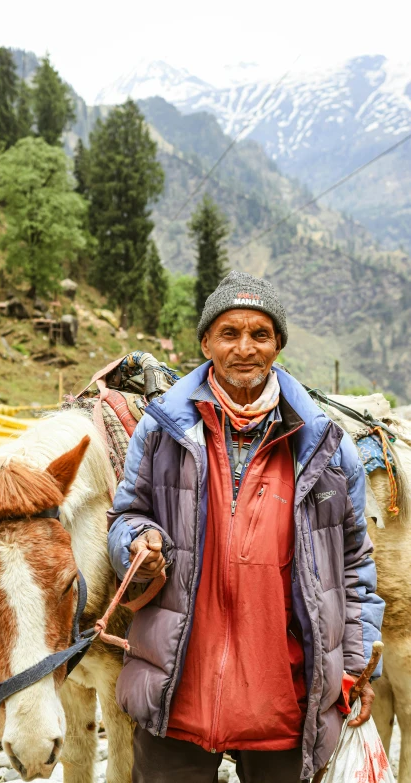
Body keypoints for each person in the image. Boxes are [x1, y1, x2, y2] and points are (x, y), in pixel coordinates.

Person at [107, 271, 384, 783]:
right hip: (177, 690)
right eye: (229, 333)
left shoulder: (325, 444)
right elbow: (126, 516)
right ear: (206, 341)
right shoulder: (162, 428)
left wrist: (358, 667)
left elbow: (355, 565)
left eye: (260, 334)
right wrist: (136, 542)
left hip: (286, 699)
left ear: (278, 343)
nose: (245, 348)